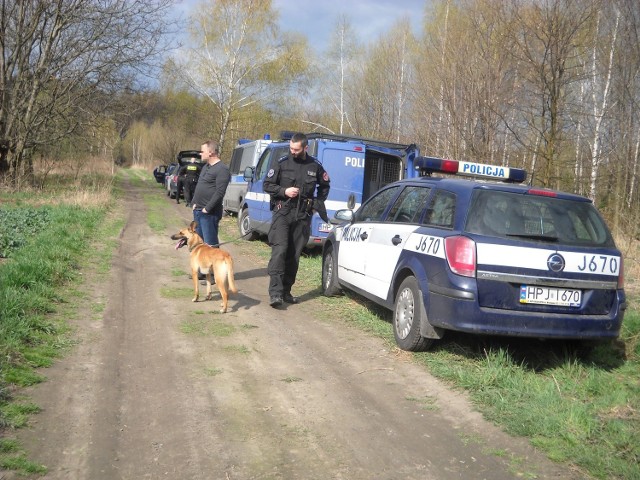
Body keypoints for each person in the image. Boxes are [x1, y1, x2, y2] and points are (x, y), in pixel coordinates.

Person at [263, 132, 330, 307]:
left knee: (294, 255)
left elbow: (325, 186)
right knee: (280, 250)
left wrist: (316, 204)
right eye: (291, 148)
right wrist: (284, 191)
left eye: (296, 149)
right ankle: (275, 294)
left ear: (305, 148)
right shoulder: (282, 163)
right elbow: (267, 185)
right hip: (283, 213)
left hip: (303, 215)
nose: (293, 151)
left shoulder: (315, 166)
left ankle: (286, 292)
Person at [191, 140, 230, 247]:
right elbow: (200, 185)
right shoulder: (205, 167)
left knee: (210, 246)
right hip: (198, 211)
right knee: (199, 245)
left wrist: (207, 209)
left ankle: (214, 264)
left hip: (209, 214)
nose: (200, 153)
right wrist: (194, 203)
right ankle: (201, 264)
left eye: (202, 151)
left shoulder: (222, 169)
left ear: (211, 152)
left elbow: (220, 192)